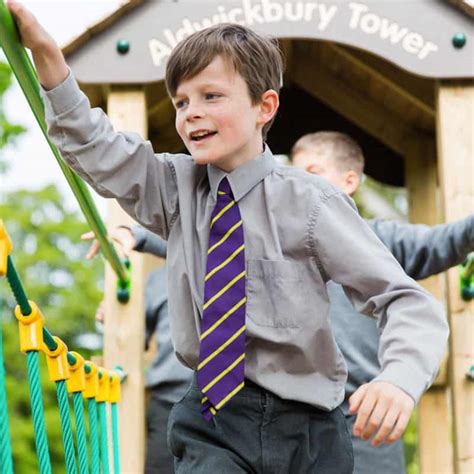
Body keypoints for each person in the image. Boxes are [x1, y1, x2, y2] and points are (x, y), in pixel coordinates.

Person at [10, 4, 448, 472]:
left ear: (265, 106)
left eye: (211, 96)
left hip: (309, 426)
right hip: (213, 420)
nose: (191, 113)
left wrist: (399, 379)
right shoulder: (174, 188)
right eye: (181, 102)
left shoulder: (312, 204)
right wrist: (46, 54)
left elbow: (404, 299)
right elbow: (99, 148)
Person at [290, 131, 474, 473]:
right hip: (288, 420)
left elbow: (444, 242)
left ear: (349, 182)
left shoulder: (379, 238)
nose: (298, 184)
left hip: (363, 416)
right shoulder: (277, 240)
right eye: (292, 174)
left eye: (312, 173)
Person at [87, 227, 193, 474]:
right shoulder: (158, 280)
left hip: (228, 401)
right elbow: (136, 335)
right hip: (170, 400)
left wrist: (142, 238)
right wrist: (112, 319)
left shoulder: (231, 259)